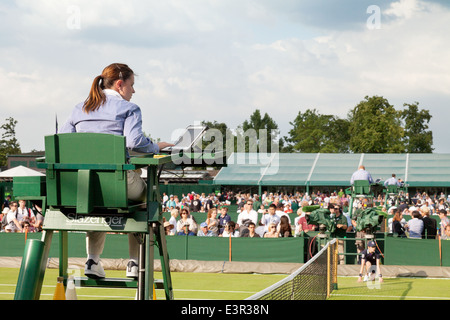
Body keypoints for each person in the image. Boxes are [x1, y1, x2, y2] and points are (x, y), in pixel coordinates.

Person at [59, 63, 173, 279]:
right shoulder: (129, 108)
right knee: (147, 196)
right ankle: (134, 264)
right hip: (119, 184)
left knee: (97, 199)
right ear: (120, 84)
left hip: (82, 186)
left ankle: (92, 260)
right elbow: (134, 141)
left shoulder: (79, 108)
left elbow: (63, 140)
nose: (134, 90)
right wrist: (157, 146)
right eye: (132, 85)